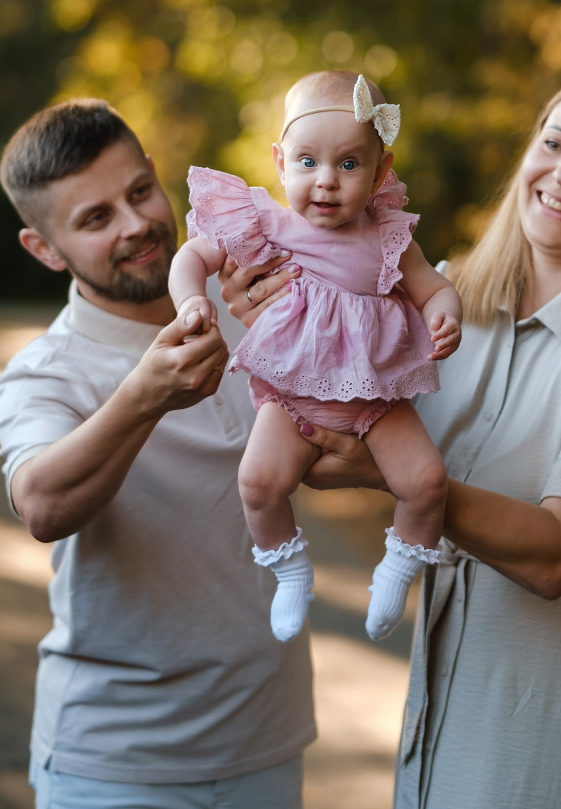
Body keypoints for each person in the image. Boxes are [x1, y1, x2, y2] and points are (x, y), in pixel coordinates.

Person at [222, 71, 561, 809]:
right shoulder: (444, 297)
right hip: (454, 660)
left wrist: (388, 476)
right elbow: (323, 372)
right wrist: (275, 323)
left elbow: (560, 557)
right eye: (554, 143)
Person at [0, 99, 315, 809]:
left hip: (267, 741)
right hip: (113, 764)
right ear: (44, 250)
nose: (136, 223)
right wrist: (144, 395)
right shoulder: (44, 374)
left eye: (139, 191)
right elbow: (43, 505)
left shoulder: (251, 306)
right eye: (94, 217)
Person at [169, 70, 462, 643]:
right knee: (257, 482)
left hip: (376, 398)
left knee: (427, 483)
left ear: (380, 170)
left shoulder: (389, 235)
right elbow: (190, 260)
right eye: (308, 162)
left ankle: (399, 568)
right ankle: (289, 570)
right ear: (280, 163)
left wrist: (446, 312)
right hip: (290, 397)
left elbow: (432, 287)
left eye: (349, 165)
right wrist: (189, 305)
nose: (326, 182)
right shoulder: (265, 221)